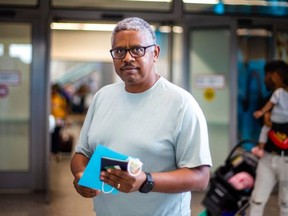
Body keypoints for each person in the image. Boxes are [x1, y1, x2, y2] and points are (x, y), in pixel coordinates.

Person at [70, 17, 212, 216]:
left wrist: (146, 181)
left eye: (137, 49)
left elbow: (200, 177)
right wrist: (80, 175)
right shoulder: (103, 97)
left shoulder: (181, 104)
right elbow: (82, 154)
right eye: (119, 51)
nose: (127, 58)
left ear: (154, 53)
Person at [248, 60, 288, 216]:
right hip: (267, 157)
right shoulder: (270, 98)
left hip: (286, 160)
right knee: (257, 200)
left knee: (286, 204)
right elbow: (259, 118)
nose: (265, 79)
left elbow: (269, 122)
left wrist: (273, 123)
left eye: (267, 75)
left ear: (276, 75)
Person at [51, 83, 69, 157]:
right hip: (51, 118)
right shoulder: (49, 97)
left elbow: (65, 108)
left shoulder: (60, 98)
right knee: (52, 134)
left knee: (57, 134)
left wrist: (66, 119)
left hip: (59, 118)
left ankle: (57, 150)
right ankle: (52, 150)